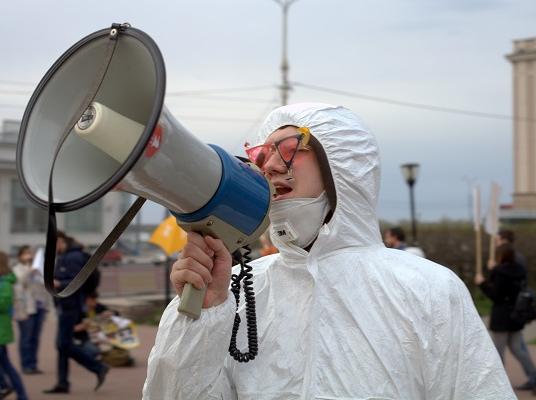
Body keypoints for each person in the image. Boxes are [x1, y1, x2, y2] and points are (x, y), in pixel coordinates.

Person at [143, 103, 515, 399]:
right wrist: (202, 318)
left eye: (289, 150)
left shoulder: (427, 288)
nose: (269, 166)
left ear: (343, 166)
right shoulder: (239, 291)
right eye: (261, 154)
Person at [476, 243, 536, 395]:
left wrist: (482, 283)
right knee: (517, 349)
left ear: (500, 256)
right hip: (516, 315)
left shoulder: (499, 272)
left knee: (498, 352)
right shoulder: (520, 270)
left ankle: (497, 386)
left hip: (502, 317)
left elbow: (496, 295)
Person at [43, 231, 109, 394]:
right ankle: (63, 383)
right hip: (66, 305)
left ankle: (98, 367)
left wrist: (59, 283)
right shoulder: (66, 255)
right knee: (62, 345)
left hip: (70, 306)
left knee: (63, 344)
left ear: (60, 241)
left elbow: (77, 281)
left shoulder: (72, 257)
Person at [12, 245, 49, 374]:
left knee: (35, 338)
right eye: (25, 253)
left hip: (39, 307)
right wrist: (29, 270)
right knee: (26, 338)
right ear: (20, 256)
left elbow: (44, 288)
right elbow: (20, 283)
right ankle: (26, 365)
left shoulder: (38, 269)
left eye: (30, 253)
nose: (28, 256)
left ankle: (33, 364)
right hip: (26, 309)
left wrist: (46, 307)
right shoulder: (17, 269)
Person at [0, 251, 28, 400]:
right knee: (6, 365)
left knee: (7, 366)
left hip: (1, 330)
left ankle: (6, 386)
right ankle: (19, 393)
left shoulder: (4, 283)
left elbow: (4, 304)